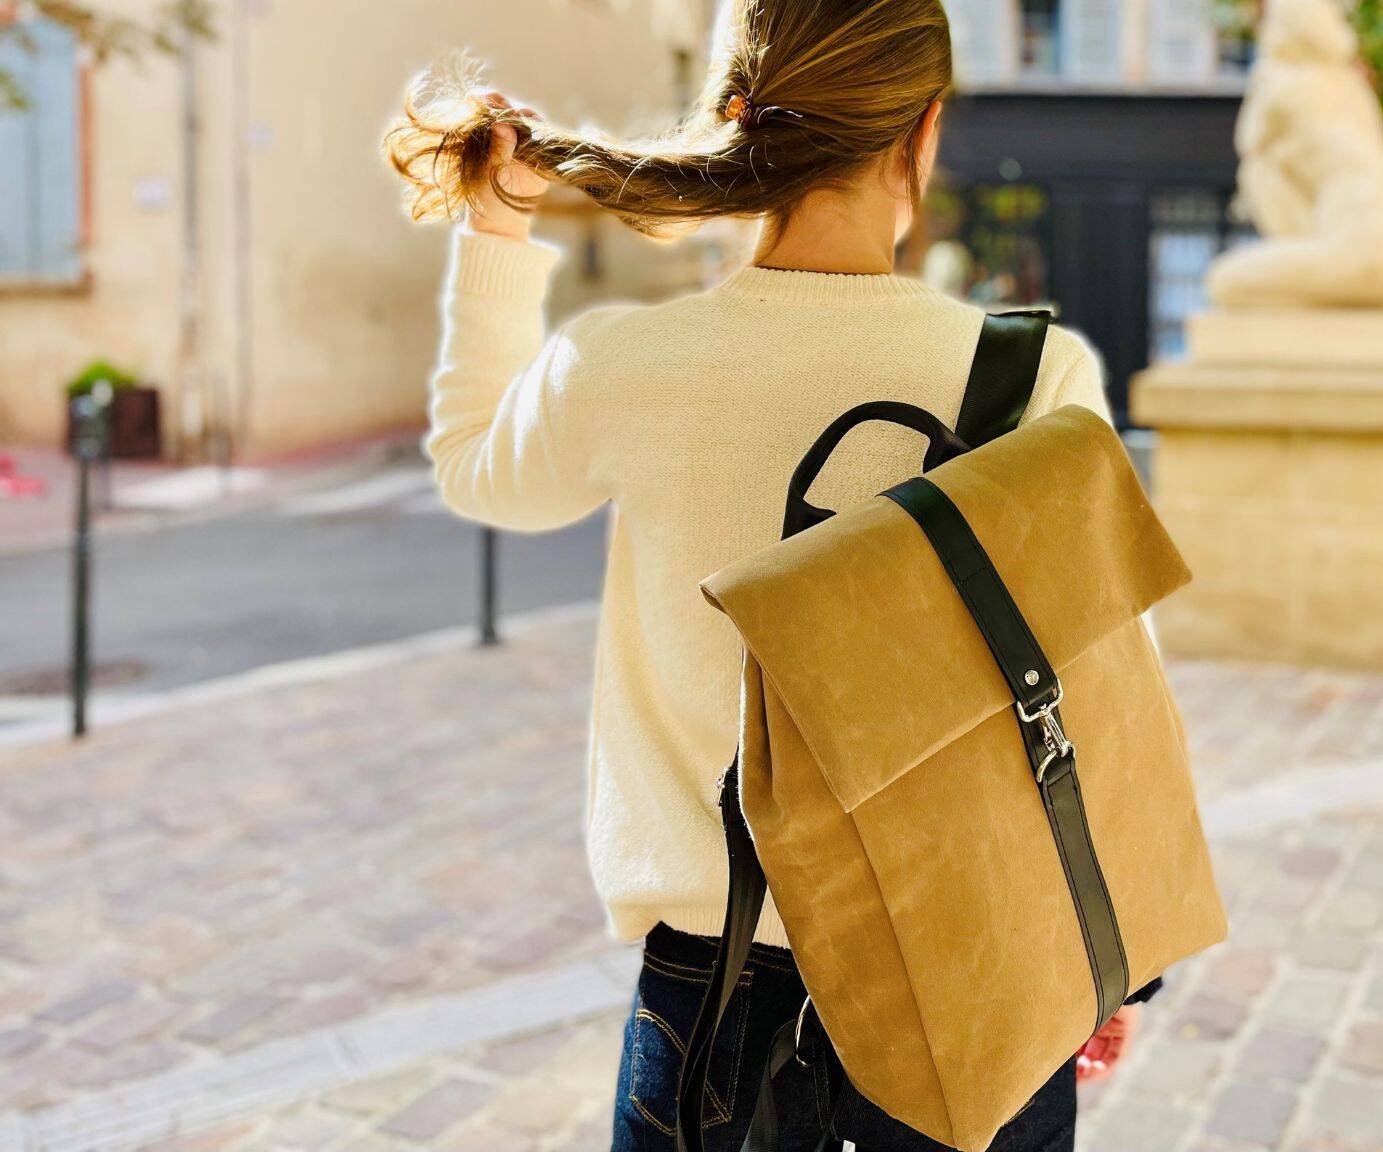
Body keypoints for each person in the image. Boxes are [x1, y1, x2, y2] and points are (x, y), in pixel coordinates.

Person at [384, 1, 1146, 1148]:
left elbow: (471, 470)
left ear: (735, 120)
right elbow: (1093, 696)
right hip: (971, 963)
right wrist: (1100, 955)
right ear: (923, 135)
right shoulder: (1035, 374)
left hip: (713, 991)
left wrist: (497, 229)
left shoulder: (624, 362)